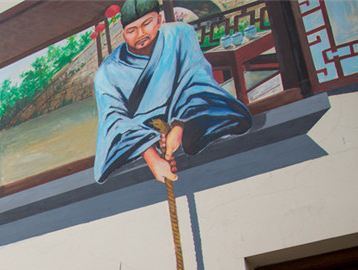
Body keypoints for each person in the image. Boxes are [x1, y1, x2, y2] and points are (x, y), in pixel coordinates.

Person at [94, 0, 251, 184]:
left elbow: (195, 80)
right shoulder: (107, 72)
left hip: (183, 118)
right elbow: (115, 120)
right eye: (132, 30)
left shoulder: (179, 35)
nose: (141, 34)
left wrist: (179, 126)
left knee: (230, 113)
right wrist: (152, 158)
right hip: (141, 135)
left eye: (147, 24)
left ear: (159, 20)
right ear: (123, 34)